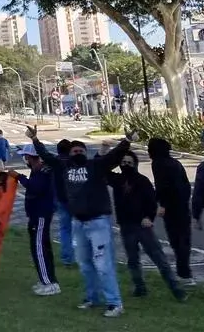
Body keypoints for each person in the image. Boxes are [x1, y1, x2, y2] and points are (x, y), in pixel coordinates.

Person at [27, 126, 137, 317]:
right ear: (69, 154)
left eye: (81, 151)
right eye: (74, 151)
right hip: (78, 222)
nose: (77, 153)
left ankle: (114, 303)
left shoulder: (96, 166)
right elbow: (46, 154)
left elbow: (114, 155)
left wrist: (127, 140)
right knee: (85, 264)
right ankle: (92, 298)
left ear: (86, 153)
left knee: (103, 264)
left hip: (98, 222)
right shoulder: (64, 167)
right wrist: (35, 139)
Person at [107, 150, 187, 301]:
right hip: (126, 226)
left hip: (143, 226)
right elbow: (102, 168)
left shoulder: (142, 181)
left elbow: (151, 201)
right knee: (132, 260)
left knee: (159, 258)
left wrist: (149, 217)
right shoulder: (117, 180)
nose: (126, 165)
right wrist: (113, 155)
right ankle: (140, 287)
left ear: (135, 164)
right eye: (123, 163)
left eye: (129, 163)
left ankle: (176, 289)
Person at [11, 145, 60, 296]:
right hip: (36, 214)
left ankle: (48, 283)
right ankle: (48, 279)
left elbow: (35, 187)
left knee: (39, 248)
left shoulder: (43, 171)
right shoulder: (39, 170)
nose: (25, 160)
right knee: (41, 248)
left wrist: (18, 177)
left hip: (40, 214)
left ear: (32, 157)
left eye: (26, 156)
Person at [147, 137, 195, 287]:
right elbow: (186, 186)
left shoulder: (158, 164)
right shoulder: (175, 163)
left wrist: (163, 204)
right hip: (182, 205)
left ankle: (183, 273)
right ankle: (185, 272)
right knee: (184, 239)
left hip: (172, 207)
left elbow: (163, 186)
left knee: (176, 240)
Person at [52, 139, 76, 266]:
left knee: (65, 230)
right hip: (75, 199)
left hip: (60, 199)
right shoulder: (75, 162)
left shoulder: (55, 162)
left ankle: (67, 259)